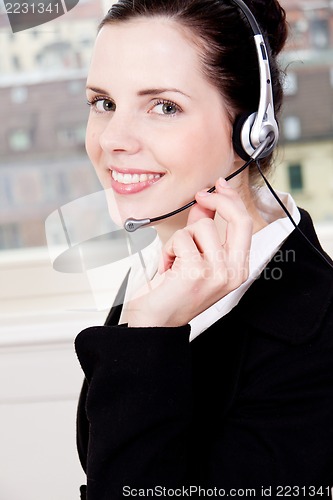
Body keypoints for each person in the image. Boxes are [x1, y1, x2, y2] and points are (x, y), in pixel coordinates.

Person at [75, 0, 333, 498]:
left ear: (251, 129)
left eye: (164, 106)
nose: (113, 140)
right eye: (103, 103)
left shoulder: (317, 348)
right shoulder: (164, 267)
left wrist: (149, 336)